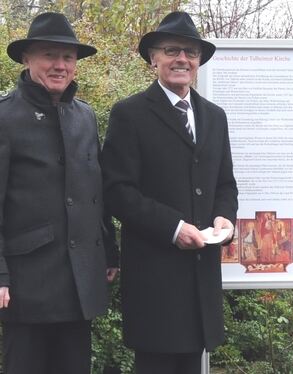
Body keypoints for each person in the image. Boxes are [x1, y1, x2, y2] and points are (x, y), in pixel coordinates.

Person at [101, 11, 238, 374]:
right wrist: (174, 228)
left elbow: (225, 184)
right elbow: (117, 191)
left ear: (198, 62)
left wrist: (225, 218)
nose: (182, 59)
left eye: (190, 52)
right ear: (154, 58)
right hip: (155, 284)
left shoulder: (214, 116)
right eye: (172, 50)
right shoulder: (129, 114)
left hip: (200, 282)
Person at [0, 12, 118, 374]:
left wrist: (110, 251)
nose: (60, 65)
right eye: (50, 55)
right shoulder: (4, 117)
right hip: (26, 283)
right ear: (27, 59)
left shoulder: (84, 116)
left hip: (80, 280)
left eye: (68, 58)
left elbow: (95, 192)